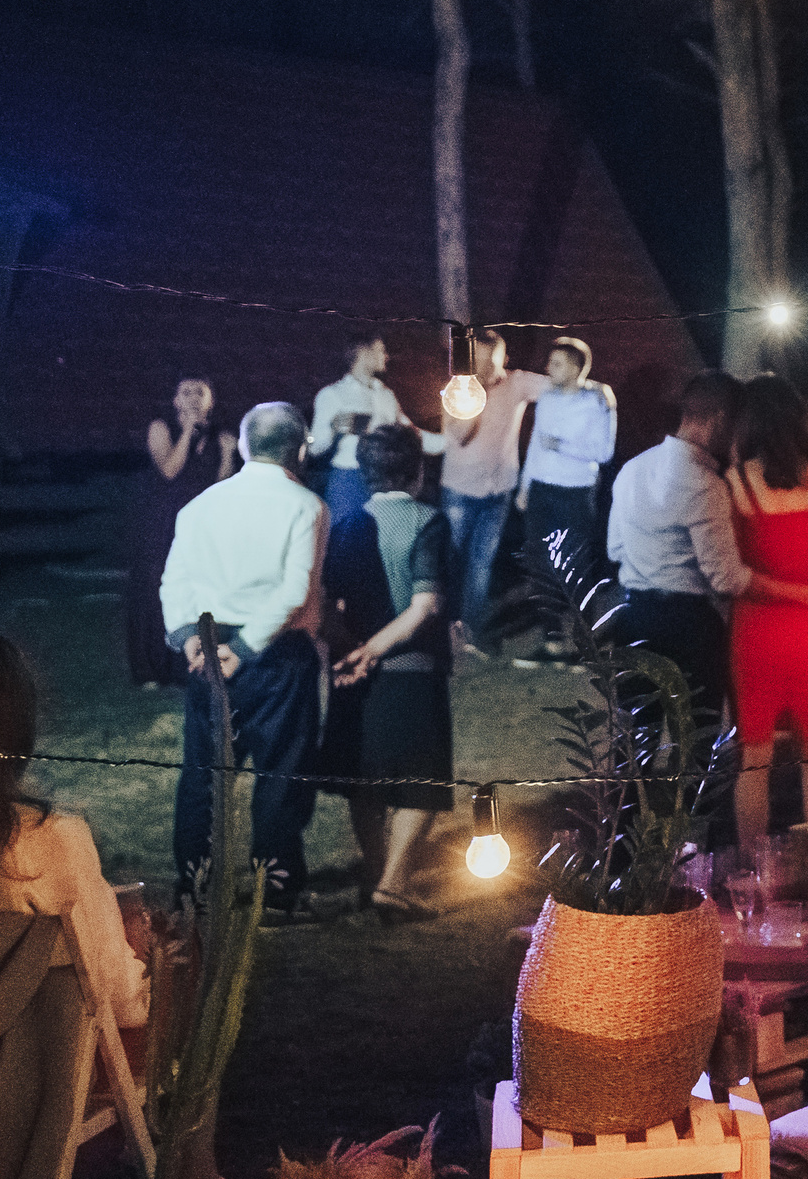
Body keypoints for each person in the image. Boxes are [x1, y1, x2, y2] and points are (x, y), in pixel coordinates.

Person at [160, 402, 329, 917]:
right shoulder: (306, 506)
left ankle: (195, 887)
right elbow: (295, 589)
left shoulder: (200, 506)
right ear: (300, 449)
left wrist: (190, 638)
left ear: (247, 445)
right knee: (281, 773)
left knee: (204, 774)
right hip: (275, 653)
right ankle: (274, 892)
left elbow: (175, 581)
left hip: (210, 652)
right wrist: (246, 647)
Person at [0, 624, 150, 1028]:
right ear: (15, 726)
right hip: (38, 1082)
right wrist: (133, 943)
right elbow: (124, 1004)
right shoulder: (55, 840)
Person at [319, 426, 452, 922]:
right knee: (423, 783)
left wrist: (351, 650)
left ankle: (378, 875)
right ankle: (393, 886)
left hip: (353, 673)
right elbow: (426, 604)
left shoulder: (347, 524)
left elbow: (326, 606)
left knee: (365, 780)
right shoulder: (428, 522)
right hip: (410, 669)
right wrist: (374, 651)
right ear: (417, 470)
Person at [723, 374, 808, 840]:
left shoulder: (738, 481)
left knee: (754, 760)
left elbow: (733, 563)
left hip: (758, 631)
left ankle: (753, 870)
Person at [605, 370, 748, 715]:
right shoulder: (706, 485)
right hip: (689, 627)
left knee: (634, 746)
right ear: (720, 419)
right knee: (697, 744)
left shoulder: (633, 469)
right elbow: (725, 580)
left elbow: (615, 549)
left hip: (633, 618)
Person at [437, 328, 548, 655]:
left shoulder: (517, 382)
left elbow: (561, 386)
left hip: (498, 490)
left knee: (481, 564)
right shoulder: (458, 390)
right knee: (451, 561)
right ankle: (444, 629)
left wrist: (600, 391)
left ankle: (470, 632)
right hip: (459, 489)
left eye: (492, 362)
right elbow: (458, 435)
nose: (485, 370)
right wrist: (477, 395)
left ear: (505, 359)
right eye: (479, 363)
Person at [126, 374, 237, 686]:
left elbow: (220, 489)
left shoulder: (219, 436)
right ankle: (149, 670)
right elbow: (169, 470)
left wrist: (228, 455)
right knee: (154, 591)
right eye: (185, 391)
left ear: (210, 400)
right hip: (162, 521)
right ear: (175, 400)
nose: (192, 397)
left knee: (195, 590)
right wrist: (187, 431)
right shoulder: (161, 428)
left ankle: (184, 666)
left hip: (199, 522)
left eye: (199, 391)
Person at [309, 333, 443, 525]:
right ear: (364, 353)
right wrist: (333, 428)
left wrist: (449, 441)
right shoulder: (332, 394)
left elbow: (411, 434)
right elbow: (314, 447)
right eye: (381, 350)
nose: (386, 356)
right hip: (349, 480)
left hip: (385, 482)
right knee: (345, 542)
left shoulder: (386, 395)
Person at [520, 335, 617, 588]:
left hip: (575, 492)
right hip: (541, 488)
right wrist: (525, 487)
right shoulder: (548, 398)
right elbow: (535, 445)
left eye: (557, 364)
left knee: (576, 562)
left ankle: (580, 623)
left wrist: (562, 446)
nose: (548, 368)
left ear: (575, 369)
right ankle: (547, 623)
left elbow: (604, 452)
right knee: (538, 559)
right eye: (550, 362)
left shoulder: (597, 402)